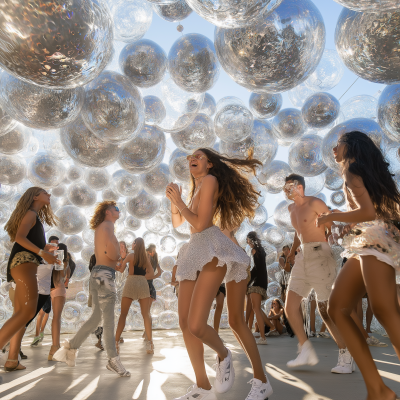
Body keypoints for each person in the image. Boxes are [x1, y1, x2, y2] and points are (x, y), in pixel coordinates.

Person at [166, 148, 273, 400]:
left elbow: (202, 224)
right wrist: (175, 201)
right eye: (190, 156)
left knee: (207, 323)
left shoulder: (211, 181)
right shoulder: (196, 190)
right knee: (185, 324)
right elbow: (178, 223)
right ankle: (202, 387)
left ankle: (230, 359)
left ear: (211, 164)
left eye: (199, 156)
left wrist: (180, 203)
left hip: (216, 250)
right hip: (194, 251)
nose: (192, 158)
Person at [316, 131, 400, 400]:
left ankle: (379, 391)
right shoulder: (359, 170)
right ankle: (378, 390)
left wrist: (333, 215)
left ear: (349, 146)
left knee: (385, 310)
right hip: (369, 240)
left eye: (337, 143)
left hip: (375, 240)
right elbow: (373, 209)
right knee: (337, 307)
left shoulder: (351, 169)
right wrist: (346, 220)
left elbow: (369, 212)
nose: (333, 148)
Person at [283, 173, 354, 374]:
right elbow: (299, 233)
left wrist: (342, 232)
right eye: (285, 186)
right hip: (302, 256)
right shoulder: (291, 209)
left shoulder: (315, 203)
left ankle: (346, 355)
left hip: (320, 254)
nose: (286, 189)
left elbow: (333, 228)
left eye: (290, 185)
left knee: (326, 309)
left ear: (300, 187)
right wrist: (292, 254)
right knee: (290, 306)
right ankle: (305, 349)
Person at [53, 201, 130, 377]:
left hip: (97, 275)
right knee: (108, 320)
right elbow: (112, 254)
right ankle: (113, 359)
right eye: (116, 208)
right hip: (105, 276)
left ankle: (71, 347)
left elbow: (105, 255)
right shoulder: (108, 225)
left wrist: (116, 256)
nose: (119, 211)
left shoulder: (102, 227)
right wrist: (120, 254)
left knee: (96, 318)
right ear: (108, 212)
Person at [3, 187, 60, 371]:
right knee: (27, 312)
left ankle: (12, 360)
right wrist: (43, 252)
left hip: (23, 264)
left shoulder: (33, 215)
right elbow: (19, 238)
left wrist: (46, 247)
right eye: (45, 192)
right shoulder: (31, 214)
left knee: (20, 313)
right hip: (25, 263)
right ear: (35, 196)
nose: (49, 194)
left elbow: (29, 241)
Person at [115, 238, 154, 354]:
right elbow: (151, 273)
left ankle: (116, 342)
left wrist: (116, 265)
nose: (131, 244)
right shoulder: (145, 258)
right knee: (146, 314)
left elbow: (121, 270)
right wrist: (142, 278)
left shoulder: (131, 256)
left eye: (133, 243)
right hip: (142, 283)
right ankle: (149, 344)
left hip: (131, 282)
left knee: (123, 314)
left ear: (136, 245)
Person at [246, 232, 268, 345]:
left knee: (256, 308)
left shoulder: (254, 250)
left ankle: (263, 338)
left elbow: (256, 268)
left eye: (247, 241)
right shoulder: (261, 250)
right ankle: (250, 331)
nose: (247, 243)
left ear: (250, 240)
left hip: (257, 281)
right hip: (263, 280)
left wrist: (248, 279)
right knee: (254, 307)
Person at [48, 242, 69, 360]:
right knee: (57, 317)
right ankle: (54, 346)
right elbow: (64, 276)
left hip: (52, 290)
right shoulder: (63, 262)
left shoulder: (52, 261)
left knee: (56, 317)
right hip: (59, 290)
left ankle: (55, 346)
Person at [118, 241, 128, 344]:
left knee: (121, 312)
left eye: (123, 246)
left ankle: (119, 334)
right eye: (120, 246)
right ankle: (116, 335)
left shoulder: (128, 258)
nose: (122, 247)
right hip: (113, 285)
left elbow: (123, 270)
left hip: (123, 286)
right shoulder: (114, 257)